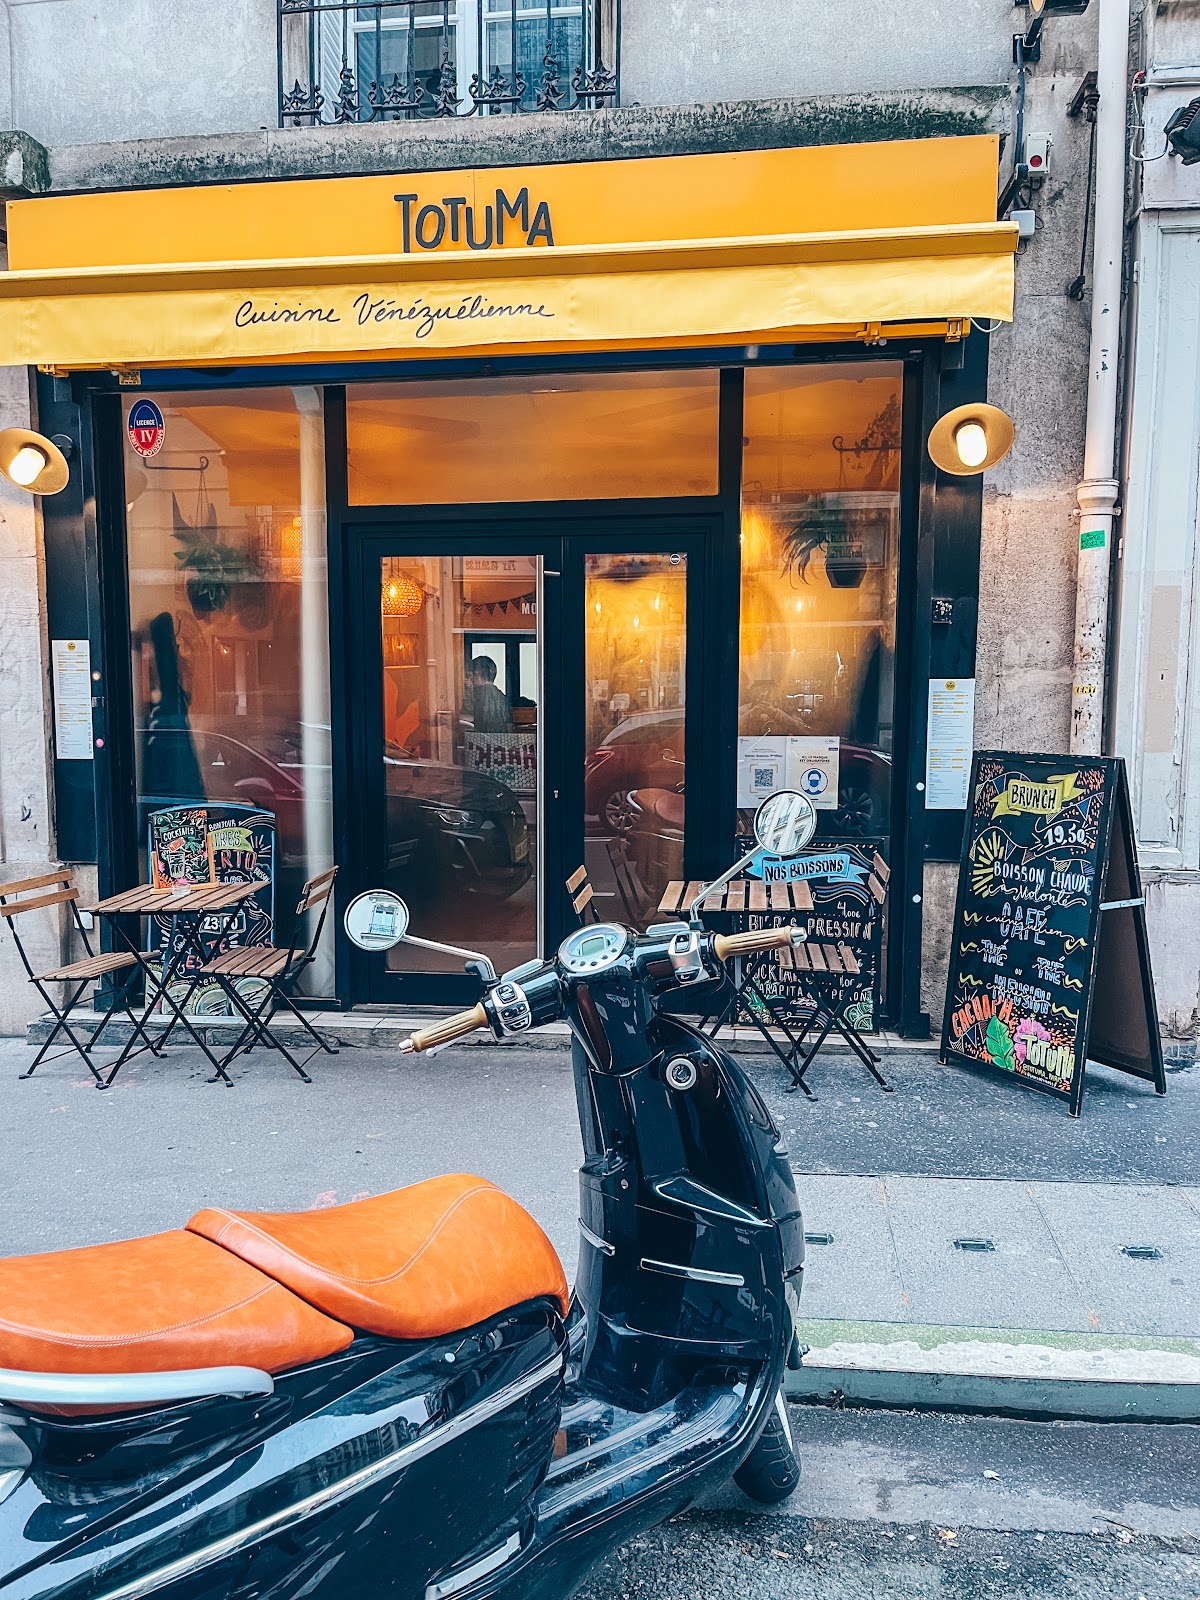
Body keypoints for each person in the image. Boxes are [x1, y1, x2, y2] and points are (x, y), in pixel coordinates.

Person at [470, 655, 512, 733]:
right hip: (501, 739)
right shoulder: (503, 698)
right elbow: (509, 726)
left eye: (470, 675)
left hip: (479, 738)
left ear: (476, 673)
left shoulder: (475, 694)